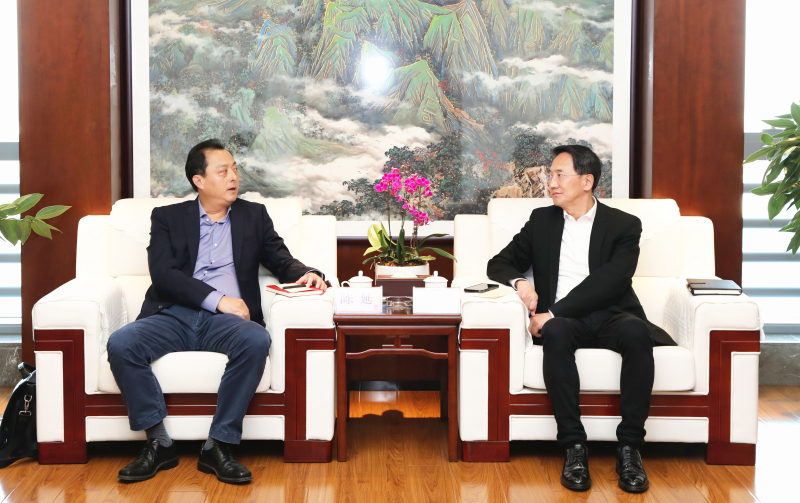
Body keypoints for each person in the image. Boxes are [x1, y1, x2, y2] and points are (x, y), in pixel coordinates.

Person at [106, 139, 327, 484]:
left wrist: (307, 273)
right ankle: (159, 442)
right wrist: (217, 298)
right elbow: (163, 274)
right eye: (222, 171)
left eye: (234, 169)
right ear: (199, 180)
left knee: (256, 340)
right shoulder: (167, 218)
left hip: (228, 323)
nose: (233, 176)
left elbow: (280, 259)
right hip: (173, 315)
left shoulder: (254, 216)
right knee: (122, 343)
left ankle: (218, 445)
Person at [487, 145, 675, 494]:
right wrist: (521, 283)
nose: (551, 183)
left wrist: (552, 312)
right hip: (565, 323)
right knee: (555, 332)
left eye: (560, 175)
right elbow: (498, 263)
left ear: (586, 181)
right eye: (550, 175)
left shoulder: (624, 225)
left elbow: (611, 282)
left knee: (637, 332)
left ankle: (630, 448)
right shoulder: (542, 221)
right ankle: (574, 447)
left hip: (613, 314)